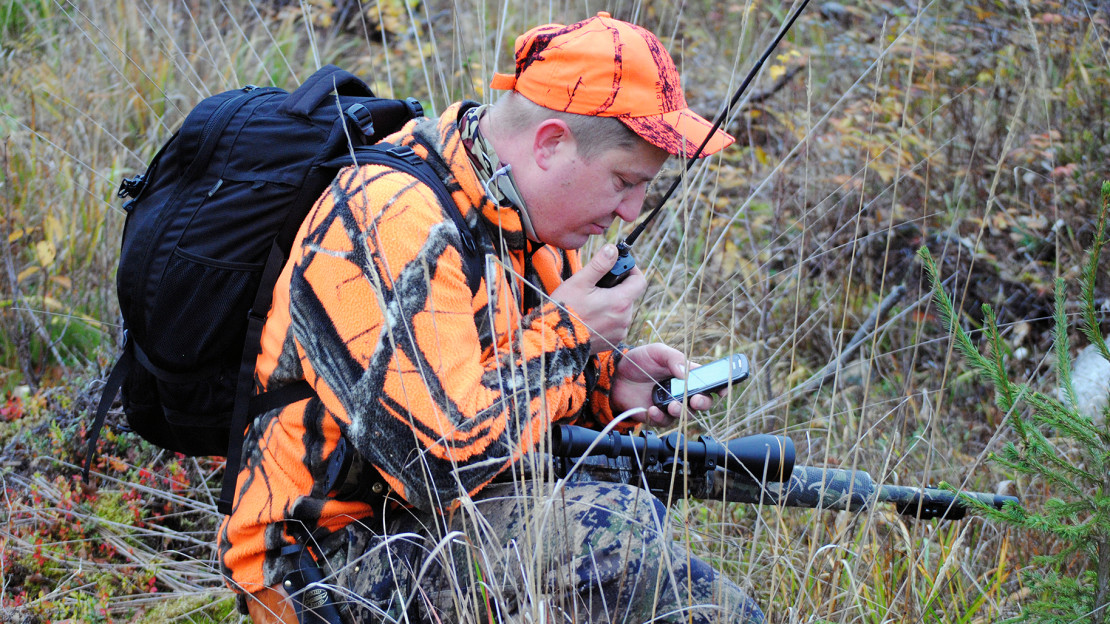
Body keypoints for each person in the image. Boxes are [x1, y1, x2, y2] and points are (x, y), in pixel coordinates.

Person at [218, 11, 764, 624]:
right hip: (319, 562)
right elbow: (435, 466)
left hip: (436, 525)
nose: (631, 210)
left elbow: (500, 386)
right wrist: (567, 337)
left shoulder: (531, 222)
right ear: (551, 143)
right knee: (612, 535)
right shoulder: (390, 217)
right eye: (623, 181)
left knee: (619, 516)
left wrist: (608, 390)